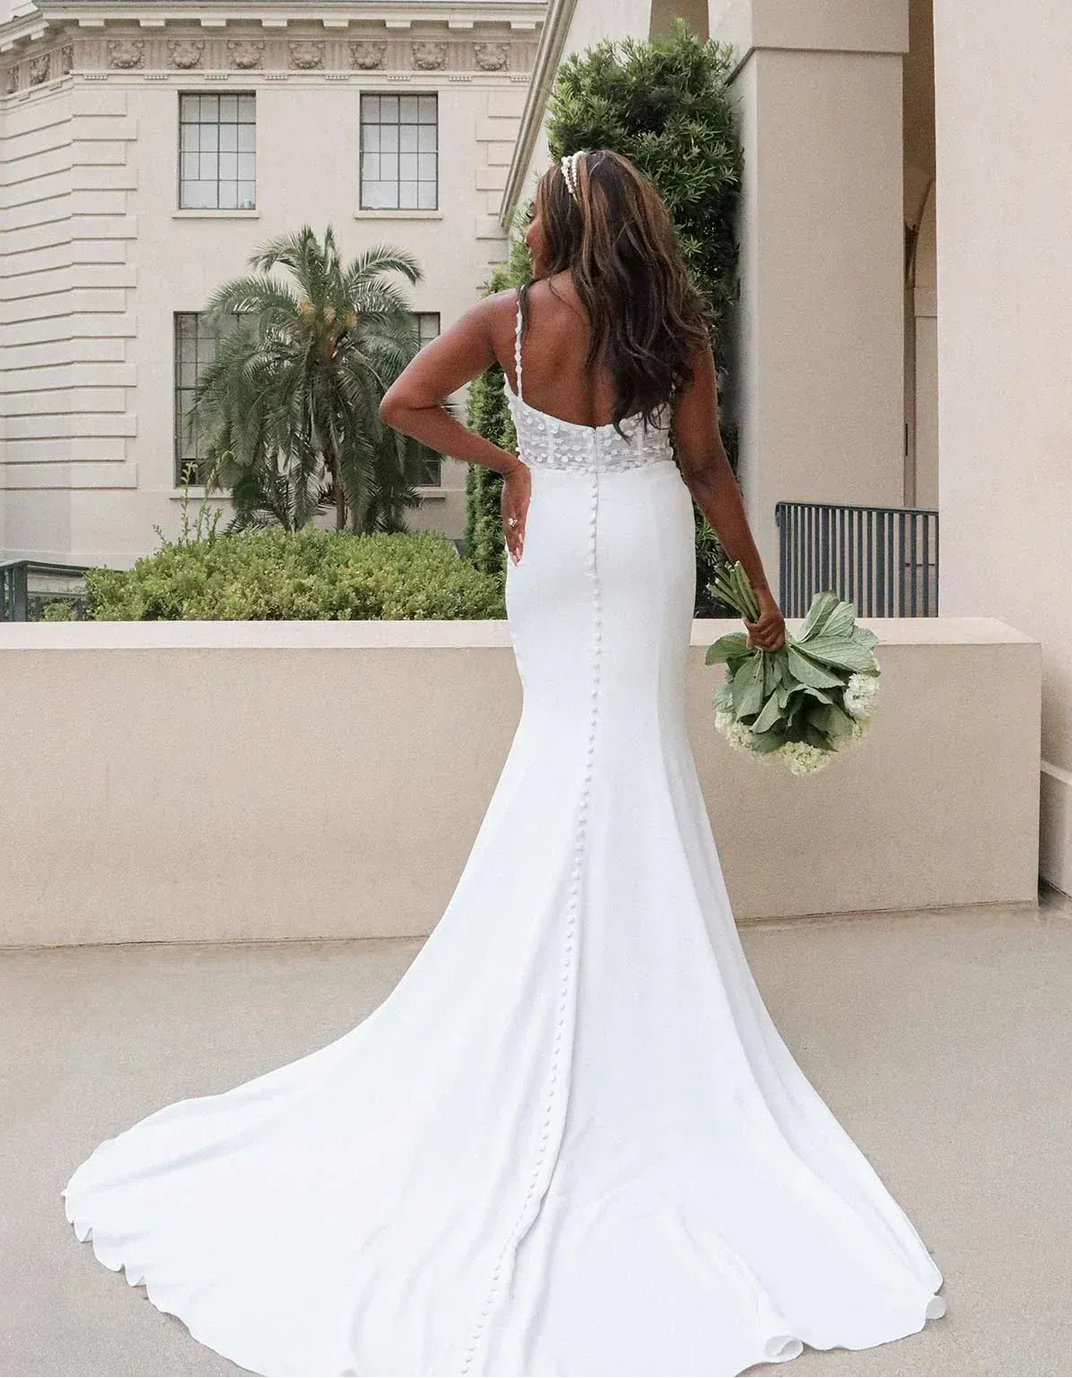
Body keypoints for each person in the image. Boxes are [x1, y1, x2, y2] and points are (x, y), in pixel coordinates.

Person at [61, 148, 945, 1378]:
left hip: (551, 552)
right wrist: (760, 594)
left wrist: (515, 466)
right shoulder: (670, 326)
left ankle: (553, 996)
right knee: (628, 750)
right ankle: (644, 1011)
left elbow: (401, 407)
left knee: (562, 750)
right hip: (640, 546)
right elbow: (704, 468)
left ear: (557, 220)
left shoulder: (510, 320)